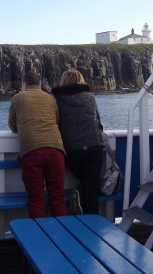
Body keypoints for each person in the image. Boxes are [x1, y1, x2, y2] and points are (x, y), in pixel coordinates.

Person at [8, 71, 67, 218]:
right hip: (56, 150)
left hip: (32, 151)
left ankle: (40, 236)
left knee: (36, 199)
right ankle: (61, 235)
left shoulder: (17, 98)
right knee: (58, 197)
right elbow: (57, 121)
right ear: (40, 83)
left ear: (24, 84)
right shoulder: (51, 99)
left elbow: (13, 125)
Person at [52, 68, 104, 215]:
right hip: (94, 146)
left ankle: (78, 197)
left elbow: (55, 122)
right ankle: (91, 224)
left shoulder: (57, 100)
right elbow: (98, 120)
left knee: (88, 183)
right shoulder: (89, 97)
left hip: (72, 150)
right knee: (91, 186)